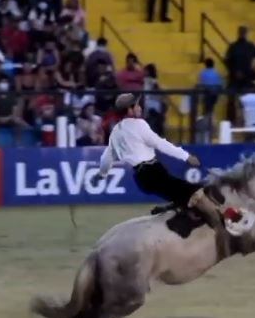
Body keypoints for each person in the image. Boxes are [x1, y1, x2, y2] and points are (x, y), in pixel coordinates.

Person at [97, 93, 232, 258]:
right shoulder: (139, 125)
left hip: (141, 178)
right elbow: (160, 144)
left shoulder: (116, 133)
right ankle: (225, 238)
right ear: (130, 110)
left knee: (182, 193)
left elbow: (105, 160)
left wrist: (102, 175)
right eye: (137, 105)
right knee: (196, 193)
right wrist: (186, 156)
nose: (140, 108)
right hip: (153, 171)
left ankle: (177, 209)